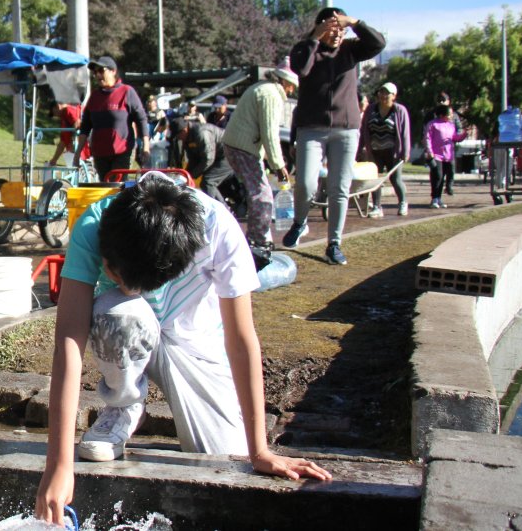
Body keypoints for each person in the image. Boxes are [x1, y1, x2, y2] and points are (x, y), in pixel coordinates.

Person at [33, 174, 331, 525]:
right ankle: (125, 405)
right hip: (126, 328)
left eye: (120, 278)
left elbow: (241, 339)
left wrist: (260, 450)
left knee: (223, 461)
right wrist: (58, 465)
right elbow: (69, 340)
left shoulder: (218, 229)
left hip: (194, 341)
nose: (114, 278)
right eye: (112, 272)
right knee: (118, 313)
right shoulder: (93, 225)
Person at [282, 7, 386, 266]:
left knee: (340, 188)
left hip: (346, 129)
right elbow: (300, 68)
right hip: (312, 129)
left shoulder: (351, 50)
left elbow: (378, 43)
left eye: (342, 29)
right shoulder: (307, 49)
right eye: (333, 28)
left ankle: (334, 244)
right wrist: (314, 39)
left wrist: (354, 22)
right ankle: (300, 222)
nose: (339, 33)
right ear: (320, 27)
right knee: (306, 184)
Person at [222, 58, 299, 249]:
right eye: (292, 85)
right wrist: (279, 165)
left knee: (257, 192)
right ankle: (258, 241)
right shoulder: (271, 94)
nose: (292, 90)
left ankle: (259, 237)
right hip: (242, 148)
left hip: (238, 145)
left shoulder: (263, 88)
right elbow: (270, 133)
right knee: (262, 195)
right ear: (285, 81)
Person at [73, 56, 149, 180]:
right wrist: (77, 154)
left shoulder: (126, 92)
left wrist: (146, 146)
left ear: (113, 71)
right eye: (95, 72)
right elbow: (85, 127)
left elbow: (141, 119)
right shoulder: (94, 97)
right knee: (104, 186)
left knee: (116, 185)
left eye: (101, 70)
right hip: (100, 153)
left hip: (122, 151)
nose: (98, 75)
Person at [357, 82, 411, 217]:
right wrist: (359, 149)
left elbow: (405, 133)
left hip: (393, 152)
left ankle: (403, 202)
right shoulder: (371, 109)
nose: (383, 96)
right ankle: (377, 206)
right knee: (375, 179)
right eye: (381, 92)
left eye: (387, 93)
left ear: (394, 96)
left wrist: (405, 152)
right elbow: (364, 130)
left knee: (395, 179)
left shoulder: (399, 110)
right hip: (375, 151)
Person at [169, 117, 232, 204]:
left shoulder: (202, 133)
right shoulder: (188, 138)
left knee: (208, 182)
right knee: (204, 180)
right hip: (217, 157)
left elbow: (208, 159)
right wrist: (185, 176)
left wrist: (192, 175)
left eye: (178, 136)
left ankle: (222, 210)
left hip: (228, 155)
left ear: (184, 130)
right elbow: (193, 160)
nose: (179, 138)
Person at [424, 104, 459, 209]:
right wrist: (429, 150)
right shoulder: (432, 124)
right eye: (449, 114)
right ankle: (434, 198)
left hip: (448, 155)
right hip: (436, 155)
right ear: (441, 115)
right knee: (437, 176)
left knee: (446, 175)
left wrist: (462, 136)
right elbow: (427, 138)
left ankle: (439, 198)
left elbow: (454, 137)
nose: (451, 116)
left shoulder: (451, 125)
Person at [46, 99, 89, 167]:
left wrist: (72, 139)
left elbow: (78, 124)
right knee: (71, 168)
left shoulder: (69, 110)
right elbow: (63, 142)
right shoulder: (64, 116)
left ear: (58, 106)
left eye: (54, 112)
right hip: (74, 151)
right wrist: (54, 160)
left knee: (78, 168)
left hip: (83, 149)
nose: (55, 116)